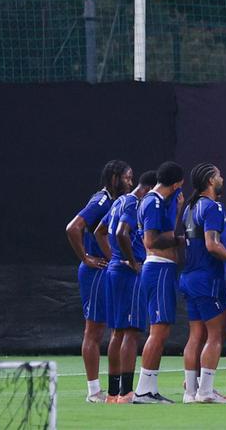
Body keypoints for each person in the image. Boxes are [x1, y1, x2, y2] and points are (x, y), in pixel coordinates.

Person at [66, 159, 131, 402]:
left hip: (109, 271)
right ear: (115, 178)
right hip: (95, 273)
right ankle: (93, 391)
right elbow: (73, 227)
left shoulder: (116, 202)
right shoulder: (101, 200)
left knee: (113, 328)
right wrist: (86, 257)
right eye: (127, 177)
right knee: (93, 331)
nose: (130, 182)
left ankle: (112, 387)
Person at [179, 163, 226, 403]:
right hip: (208, 278)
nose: (222, 178)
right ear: (211, 181)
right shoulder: (213, 208)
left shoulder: (189, 208)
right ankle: (206, 391)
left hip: (189, 277)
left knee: (196, 335)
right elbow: (212, 245)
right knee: (217, 334)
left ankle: (190, 392)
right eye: (219, 175)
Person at [134, 161, 185, 404]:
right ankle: (143, 390)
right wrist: (179, 240)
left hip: (161, 269)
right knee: (158, 330)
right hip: (158, 268)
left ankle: (150, 389)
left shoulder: (159, 202)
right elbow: (150, 241)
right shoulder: (153, 202)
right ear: (176, 184)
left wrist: (176, 212)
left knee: (161, 331)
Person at [101, 169, 154, 403]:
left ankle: (112, 393)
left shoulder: (118, 202)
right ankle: (126, 392)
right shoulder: (134, 204)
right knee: (131, 333)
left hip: (115, 270)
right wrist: (133, 262)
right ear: (150, 189)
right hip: (127, 273)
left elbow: (99, 231)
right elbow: (123, 232)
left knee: (117, 332)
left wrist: (113, 256)